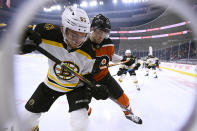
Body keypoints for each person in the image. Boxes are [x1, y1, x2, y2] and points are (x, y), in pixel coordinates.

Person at [20, 6, 109, 131]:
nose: (78, 41)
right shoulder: (46, 32)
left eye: (83, 35)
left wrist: (94, 87)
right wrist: (20, 44)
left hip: (76, 87)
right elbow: (16, 33)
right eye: (73, 35)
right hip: (51, 84)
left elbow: (86, 75)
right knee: (26, 120)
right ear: (63, 29)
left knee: (80, 124)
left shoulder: (89, 50)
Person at [81, 14, 142, 124]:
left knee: (123, 98)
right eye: (99, 31)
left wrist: (125, 59)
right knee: (80, 105)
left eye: (105, 32)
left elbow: (111, 56)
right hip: (86, 80)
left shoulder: (108, 43)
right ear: (91, 29)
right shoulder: (82, 43)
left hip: (104, 76)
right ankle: (86, 111)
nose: (102, 36)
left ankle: (129, 114)